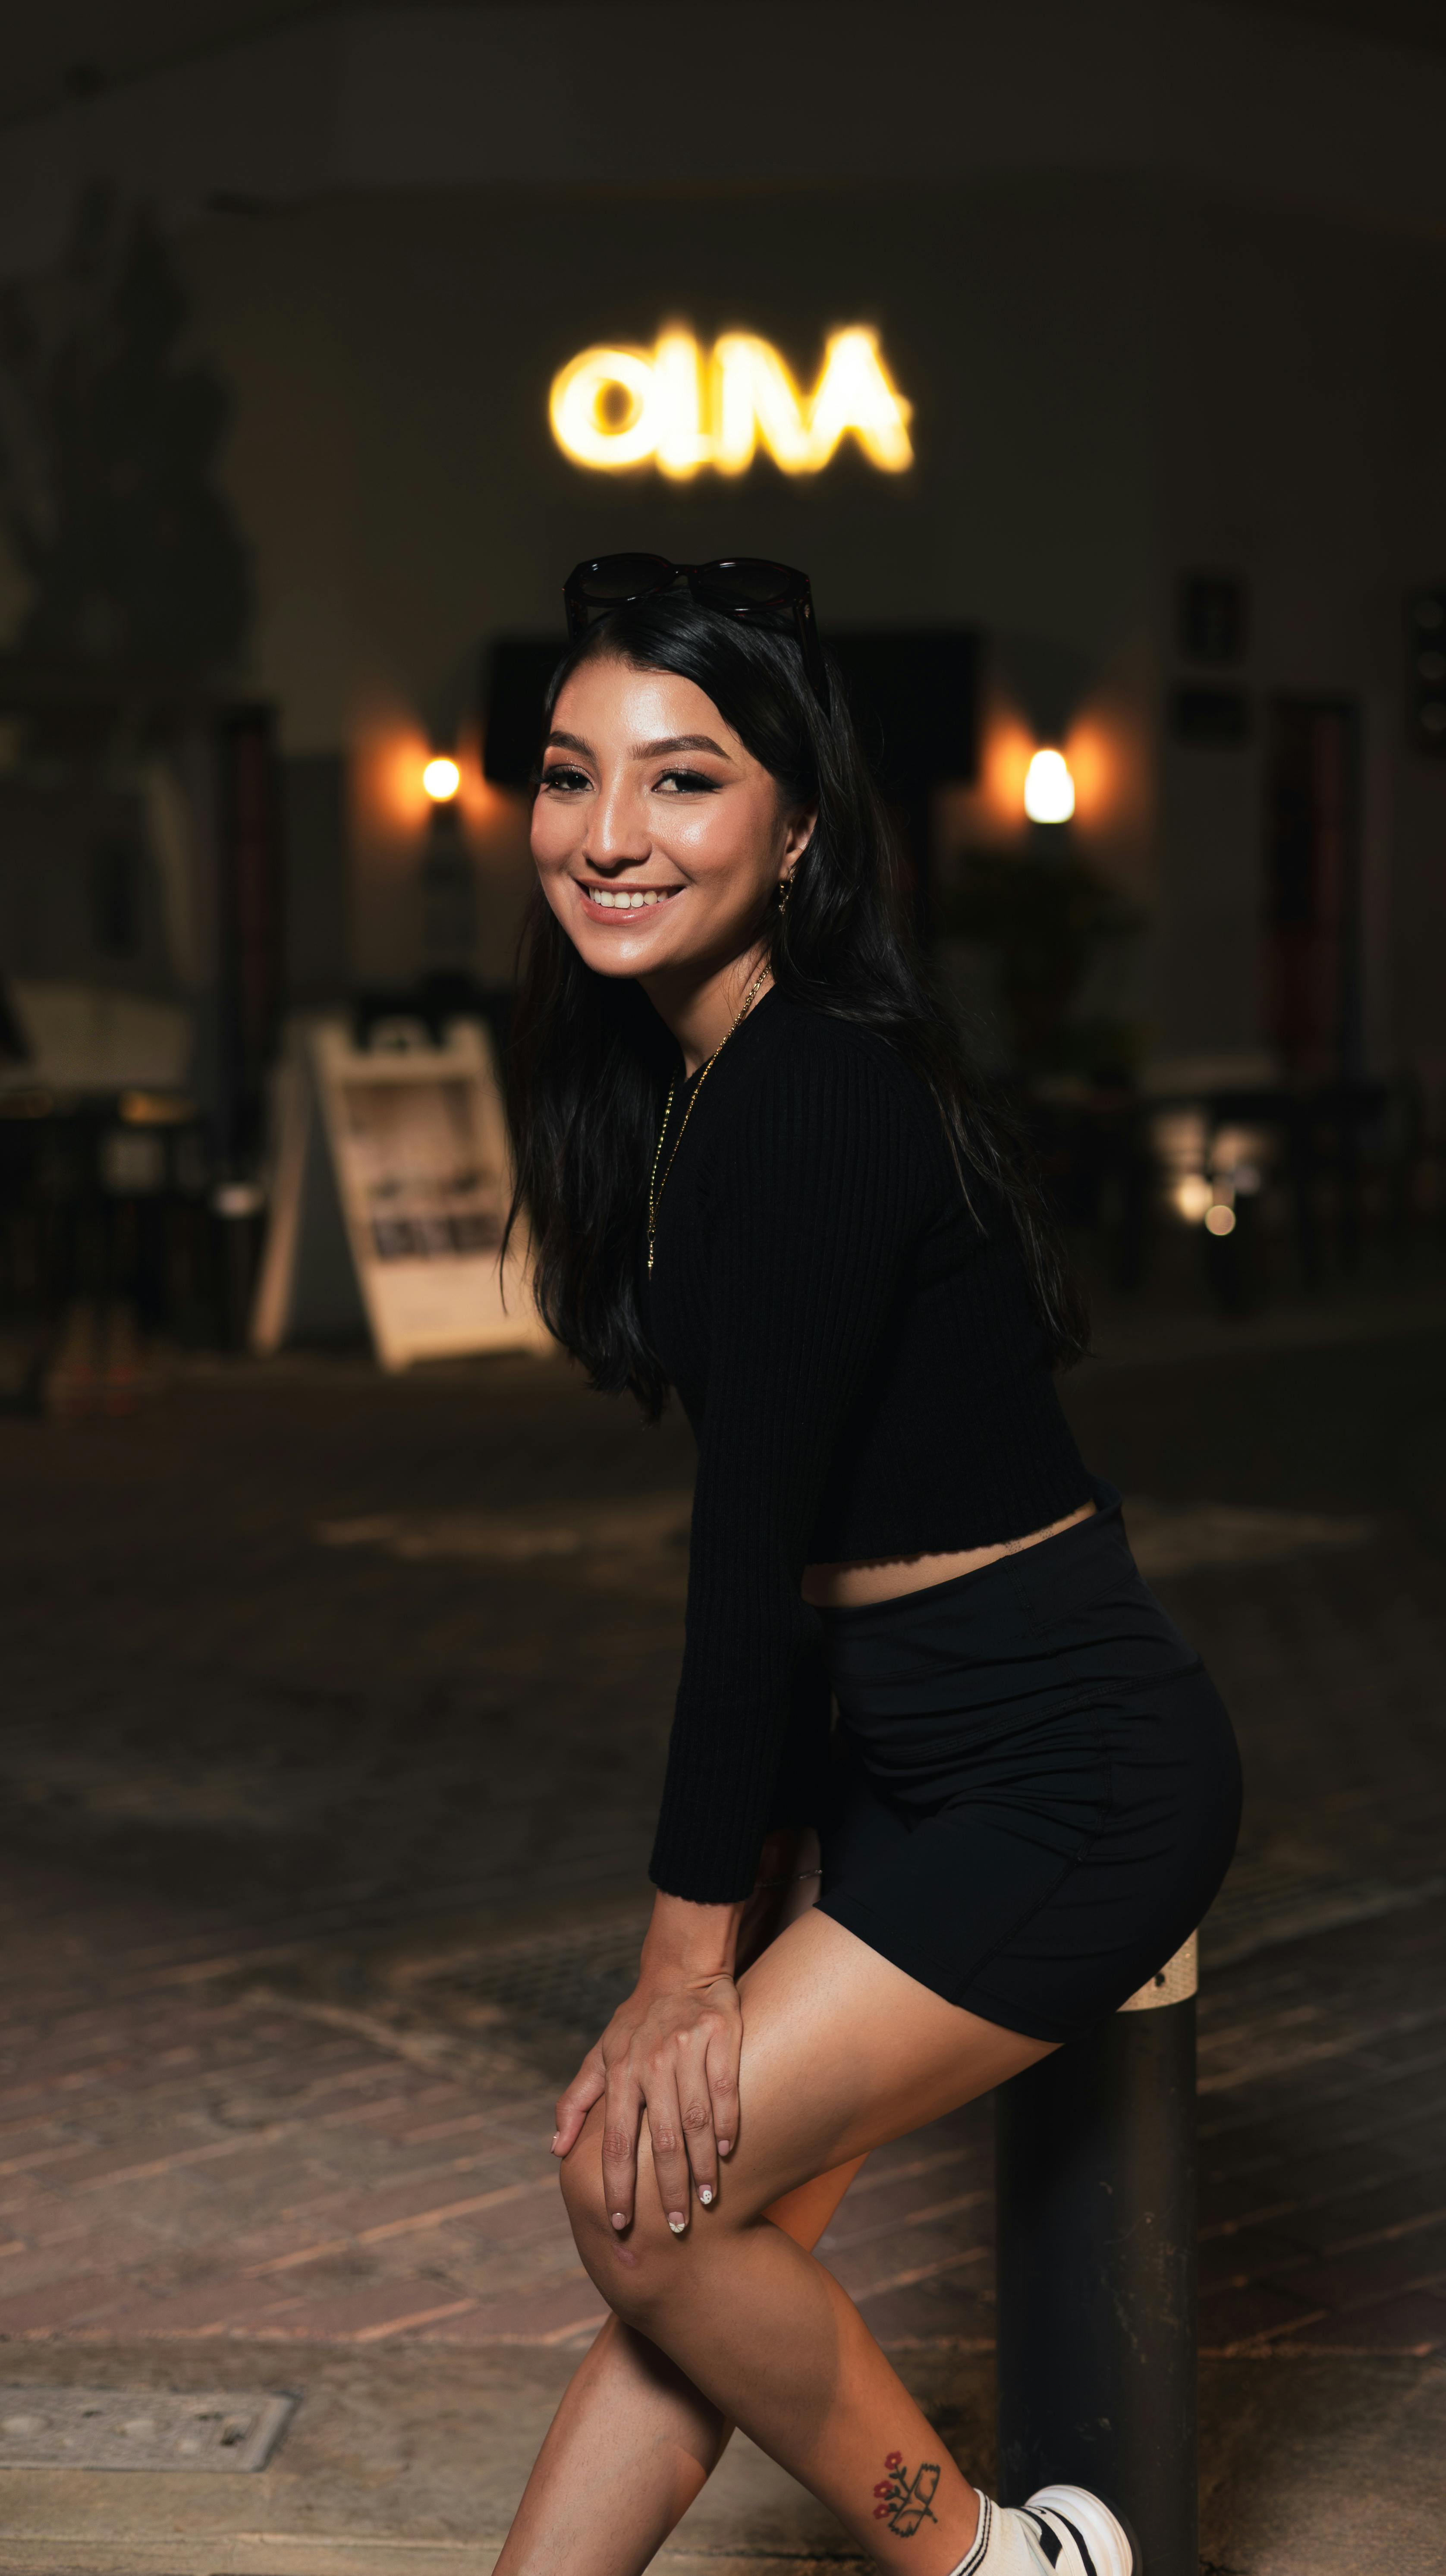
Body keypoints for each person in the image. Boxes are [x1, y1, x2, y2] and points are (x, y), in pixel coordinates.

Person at [499, 555, 1242, 2576]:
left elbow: (750, 1563)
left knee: (638, 2196)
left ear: (800, 827)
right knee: (679, 2235)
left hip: (1068, 1767)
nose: (608, 832)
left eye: (683, 779)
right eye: (569, 775)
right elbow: (818, 1562)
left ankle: (995, 2563)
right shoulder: (689, 1085)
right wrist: (781, 1868)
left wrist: (685, 1975)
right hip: (905, 1763)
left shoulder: (816, 1085)